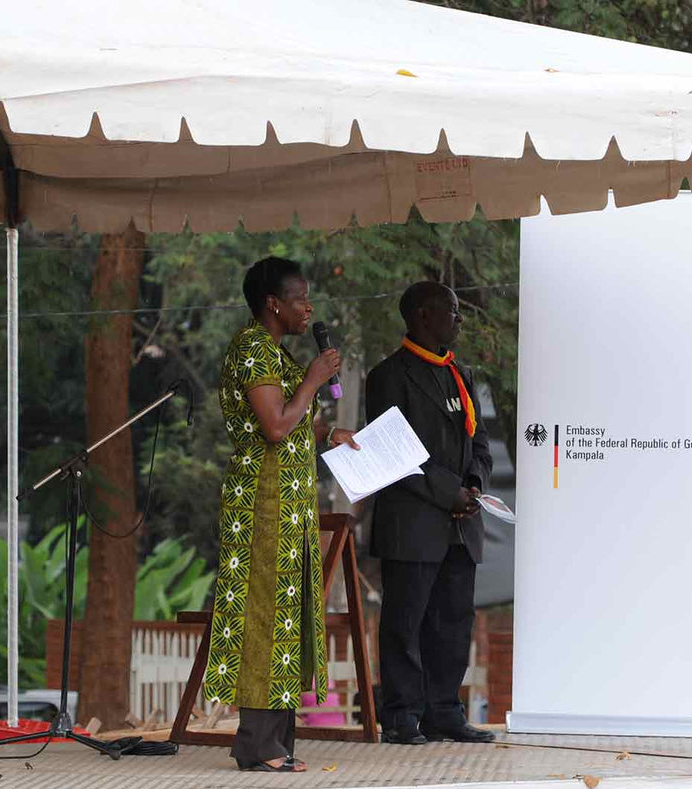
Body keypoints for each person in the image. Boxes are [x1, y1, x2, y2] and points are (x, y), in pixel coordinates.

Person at [202, 257, 358, 773]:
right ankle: (257, 744)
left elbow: (296, 425)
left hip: (289, 503)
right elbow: (273, 426)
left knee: (288, 622)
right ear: (273, 303)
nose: (309, 308)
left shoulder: (274, 352)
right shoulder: (252, 348)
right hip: (263, 503)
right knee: (266, 618)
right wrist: (313, 379)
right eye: (300, 299)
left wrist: (329, 433)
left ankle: (277, 743)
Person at [364, 282, 494, 746]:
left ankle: (443, 710)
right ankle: (401, 713)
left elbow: (479, 442)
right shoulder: (388, 376)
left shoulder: (462, 373)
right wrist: (449, 493)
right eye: (452, 311)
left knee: (453, 620)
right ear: (423, 315)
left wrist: (474, 485)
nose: (460, 320)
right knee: (406, 621)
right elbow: (394, 454)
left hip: (461, 521)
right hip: (414, 519)